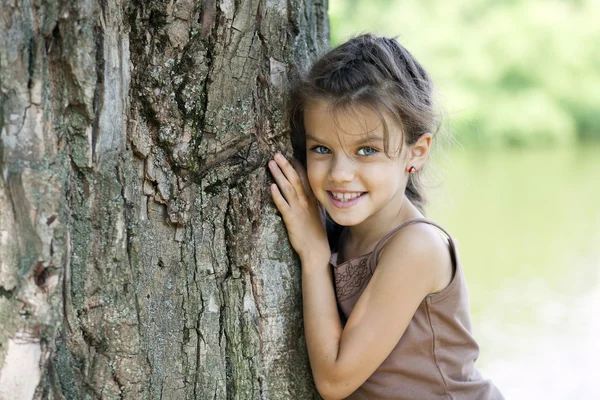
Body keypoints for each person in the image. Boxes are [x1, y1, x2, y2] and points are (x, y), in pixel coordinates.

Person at [267, 34, 503, 400]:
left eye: (366, 150)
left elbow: (334, 381)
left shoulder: (416, 247)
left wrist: (314, 256)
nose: (339, 174)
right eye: (322, 149)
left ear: (417, 152)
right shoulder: (340, 229)